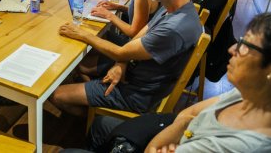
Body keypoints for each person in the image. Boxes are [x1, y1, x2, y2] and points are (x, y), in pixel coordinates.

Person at [82, 13, 271, 153]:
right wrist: (182, 129)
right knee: (100, 125)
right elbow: (188, 114)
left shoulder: (242, 146)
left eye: (246, 46)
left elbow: (162, 141)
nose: (231, 49)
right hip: (168, 129)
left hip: (141, 98)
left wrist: (181, 131)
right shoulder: (247, 95)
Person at [51, 0, 202, 115]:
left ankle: (92, 122)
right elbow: (141, 35)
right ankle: (91, 106)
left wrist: (81, 33)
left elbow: (120, 51)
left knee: (56, 95)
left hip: (136, 93)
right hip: (135, 72)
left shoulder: (174, 28)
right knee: (83, 65)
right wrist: (121, 63)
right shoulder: (175, 6)